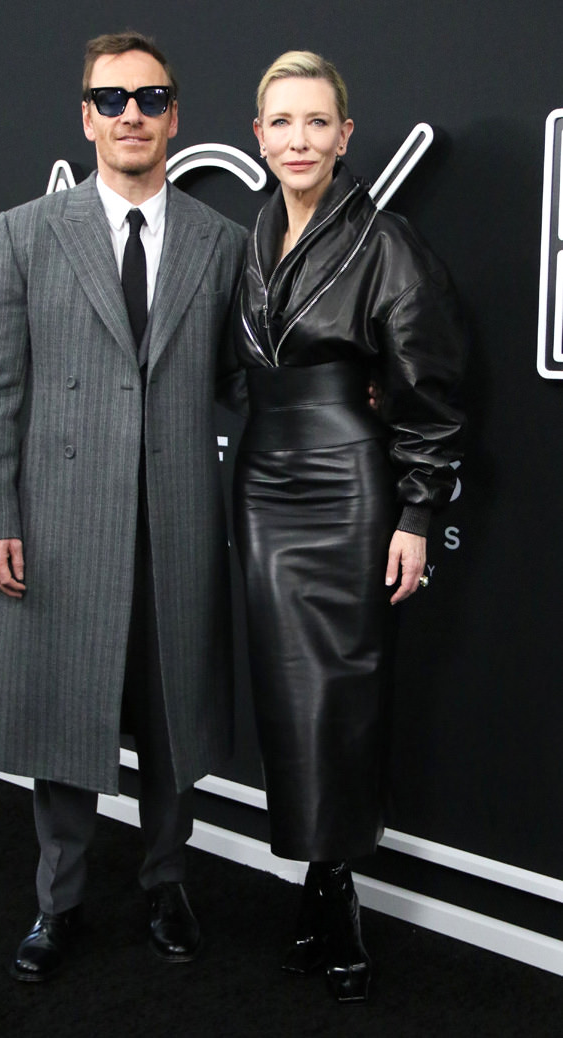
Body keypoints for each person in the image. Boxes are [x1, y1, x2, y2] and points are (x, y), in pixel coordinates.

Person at [0, 31, 245, 982]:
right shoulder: (26, 233)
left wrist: (339, 391)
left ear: (176, 116)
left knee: (172, 720)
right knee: (64, 715)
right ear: (86, 117)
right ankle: (59, 902)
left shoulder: (221, 243)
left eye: (151, 98)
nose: (133, 114)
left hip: (178, 520)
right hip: (62, 520)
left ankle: (167, 883)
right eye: (113, 99)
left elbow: (243, 383)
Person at [229, 51, 466, 1003]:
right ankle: (318, 881)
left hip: (348, 485)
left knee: (344, 694)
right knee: (289, 696)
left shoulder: (386, 242)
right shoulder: (248, 239)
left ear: (344, 135)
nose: (300, 139)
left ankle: (337, 892)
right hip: (262, 479)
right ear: (259, 136)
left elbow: (431, 393)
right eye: (282, 122)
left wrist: (418, 511)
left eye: (317, 122)